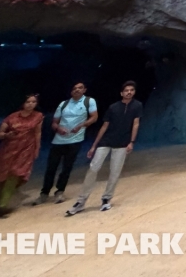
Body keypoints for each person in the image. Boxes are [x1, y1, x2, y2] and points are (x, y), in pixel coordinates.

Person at [66, 81, 142, 216]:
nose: (129, 92)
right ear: (121, 93)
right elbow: (104, 126)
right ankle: (81, 201)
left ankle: (106, 198)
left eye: (131, 90)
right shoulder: (113, 107)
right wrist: (94, 146)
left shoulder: (137, 106)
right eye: (126, 90)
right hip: (106, 141)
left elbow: (135, 124)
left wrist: (132, 142)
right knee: (93, 168)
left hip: (122, 143)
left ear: (134, 92)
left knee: (115, 171)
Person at [0, 94, 43, 218]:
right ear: (22, 103)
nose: (30, 104)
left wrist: (37, 149)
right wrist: (6, 135)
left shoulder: (38, 116)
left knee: (14, 175)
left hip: (25, 150)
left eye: (33, 102)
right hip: (8, 150)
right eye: (28, 102)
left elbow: (37, 133)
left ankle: (2, 206)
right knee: (0, 178)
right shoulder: (12, 117)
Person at [31, 82, 97, 205]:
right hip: (58, 141)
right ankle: (44, 193)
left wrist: (82, 125)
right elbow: (54, 122)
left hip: (75, 140)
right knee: (51, 167)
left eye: (80, 88)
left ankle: (59, 191)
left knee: (67, 167)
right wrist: (58, 128)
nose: (77, 90)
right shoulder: (64, 104)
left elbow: (94, 117)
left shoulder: (89, 101)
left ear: (84, 90)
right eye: (74, 88)